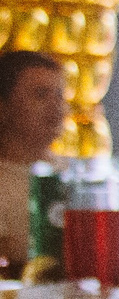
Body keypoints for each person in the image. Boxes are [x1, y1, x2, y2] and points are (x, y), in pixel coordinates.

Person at [0, 50, 67, 271]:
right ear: (4, 108)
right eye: (40, 95)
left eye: (59, 95)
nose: (56, 106)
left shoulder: (73, 176)